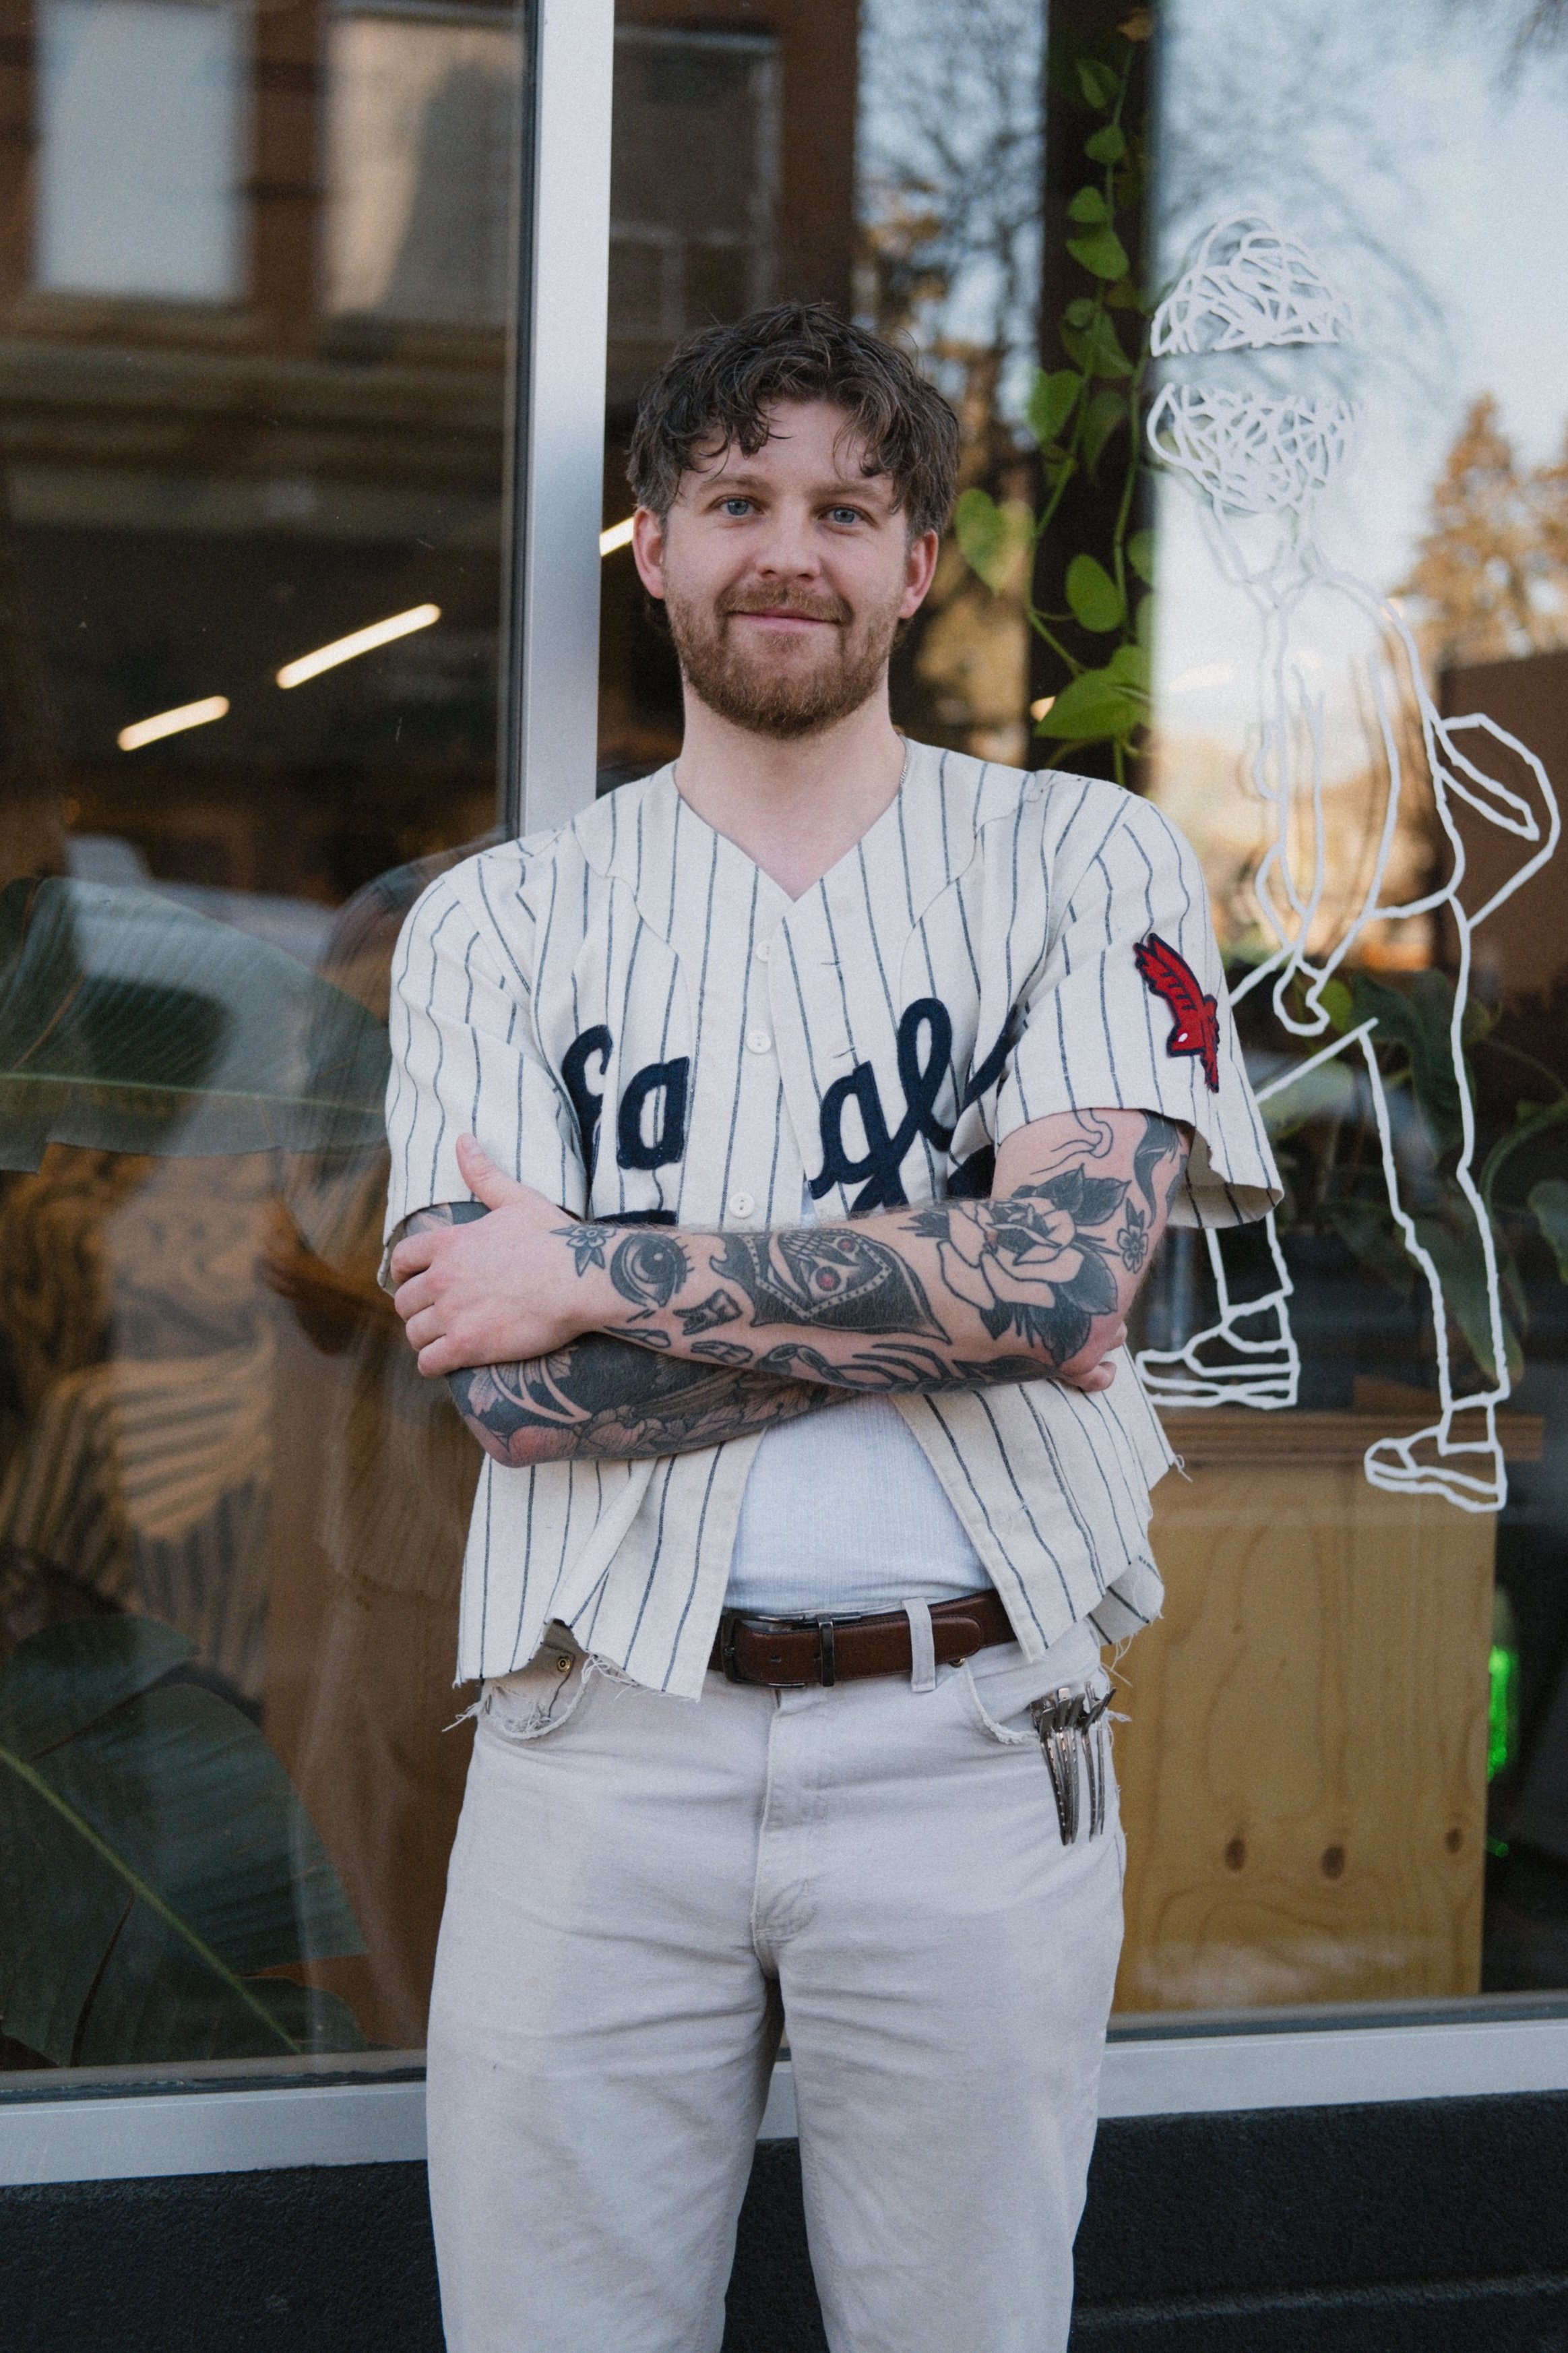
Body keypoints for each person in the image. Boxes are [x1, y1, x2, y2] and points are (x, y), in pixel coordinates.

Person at [382, 302, 1280, 2353]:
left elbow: (1068, 1280)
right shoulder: (498, 918)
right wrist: (952, 1292)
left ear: (919, 562)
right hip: (597, 1737)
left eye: (845, 509)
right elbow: (516, 1400)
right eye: (736, 501)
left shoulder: (1084, 853)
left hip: (975, 1733)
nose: (787, 549)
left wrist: (593, 1266)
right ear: (653, 544)